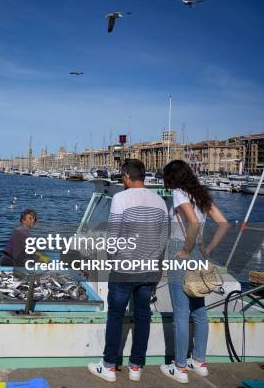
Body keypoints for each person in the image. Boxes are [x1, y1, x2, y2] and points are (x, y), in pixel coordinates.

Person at [88, 159, 169, 383]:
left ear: (125, 176)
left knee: (115, 315)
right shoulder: (161, 202)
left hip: (124, 269)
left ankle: (109, 366)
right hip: (149, 270)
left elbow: (113, 237)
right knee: (143, 316)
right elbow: (163, 240)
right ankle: (136, 367)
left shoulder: (120, 198)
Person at [159, 160, 228, 383]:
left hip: (181, 252)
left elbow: (194, 223)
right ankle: (199, 362)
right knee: (199, 309)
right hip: (199, 254)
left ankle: (180, 368)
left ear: (173, 177)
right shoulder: (200, 195)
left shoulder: (179, 194)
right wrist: (207, 249)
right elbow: (224, 224)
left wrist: (186, 250)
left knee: (180, 312)